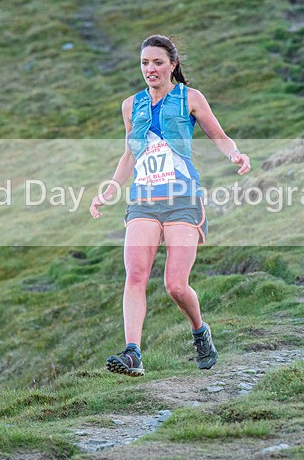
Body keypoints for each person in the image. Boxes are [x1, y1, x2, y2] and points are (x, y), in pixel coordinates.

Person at [90, 35, 250, 376]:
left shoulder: (190, 98)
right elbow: (129, 153)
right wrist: (109, 190)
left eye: (158, 62)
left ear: (172, 65)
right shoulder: (130, 105)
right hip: (143, 200)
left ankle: (200, 331)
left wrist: (234, 153)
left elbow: (218, 136)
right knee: (135, 276)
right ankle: (133, 352)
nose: (151, 69)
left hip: (182, 199)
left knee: (175, 285)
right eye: (145, 63)